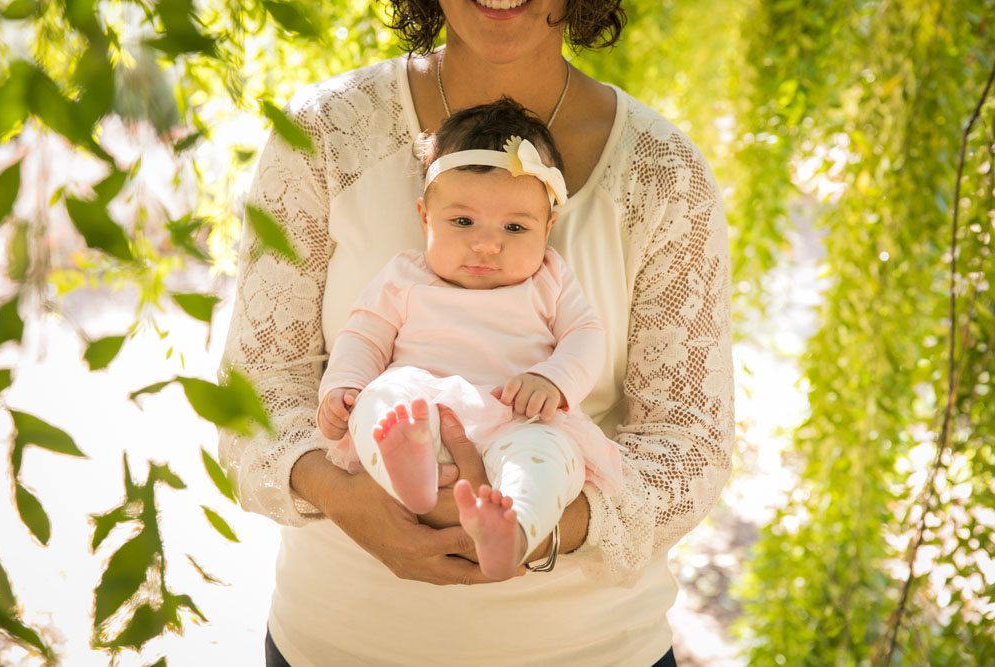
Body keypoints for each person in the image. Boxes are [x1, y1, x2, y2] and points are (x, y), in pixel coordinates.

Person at [219, 0, 734, 664]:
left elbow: (689, 443)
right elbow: (253, 392)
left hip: (587, 647)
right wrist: (346, 497)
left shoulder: (664, 176)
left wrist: (527, 524)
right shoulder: (322, 135)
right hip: (337, 642)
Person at [315, 98, 622, 581]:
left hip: (520, 418)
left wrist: (554, 380)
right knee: (382, 400)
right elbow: (364, 336)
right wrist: (344, 388)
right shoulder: (404, 276)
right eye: (462, 222)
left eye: (515, 227)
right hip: (422, 406)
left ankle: (514, 528)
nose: (485, 244)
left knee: (549, 461)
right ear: (424, 218)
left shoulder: (550, 279)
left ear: (549, 228)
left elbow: (586, 337)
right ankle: (410, 472)